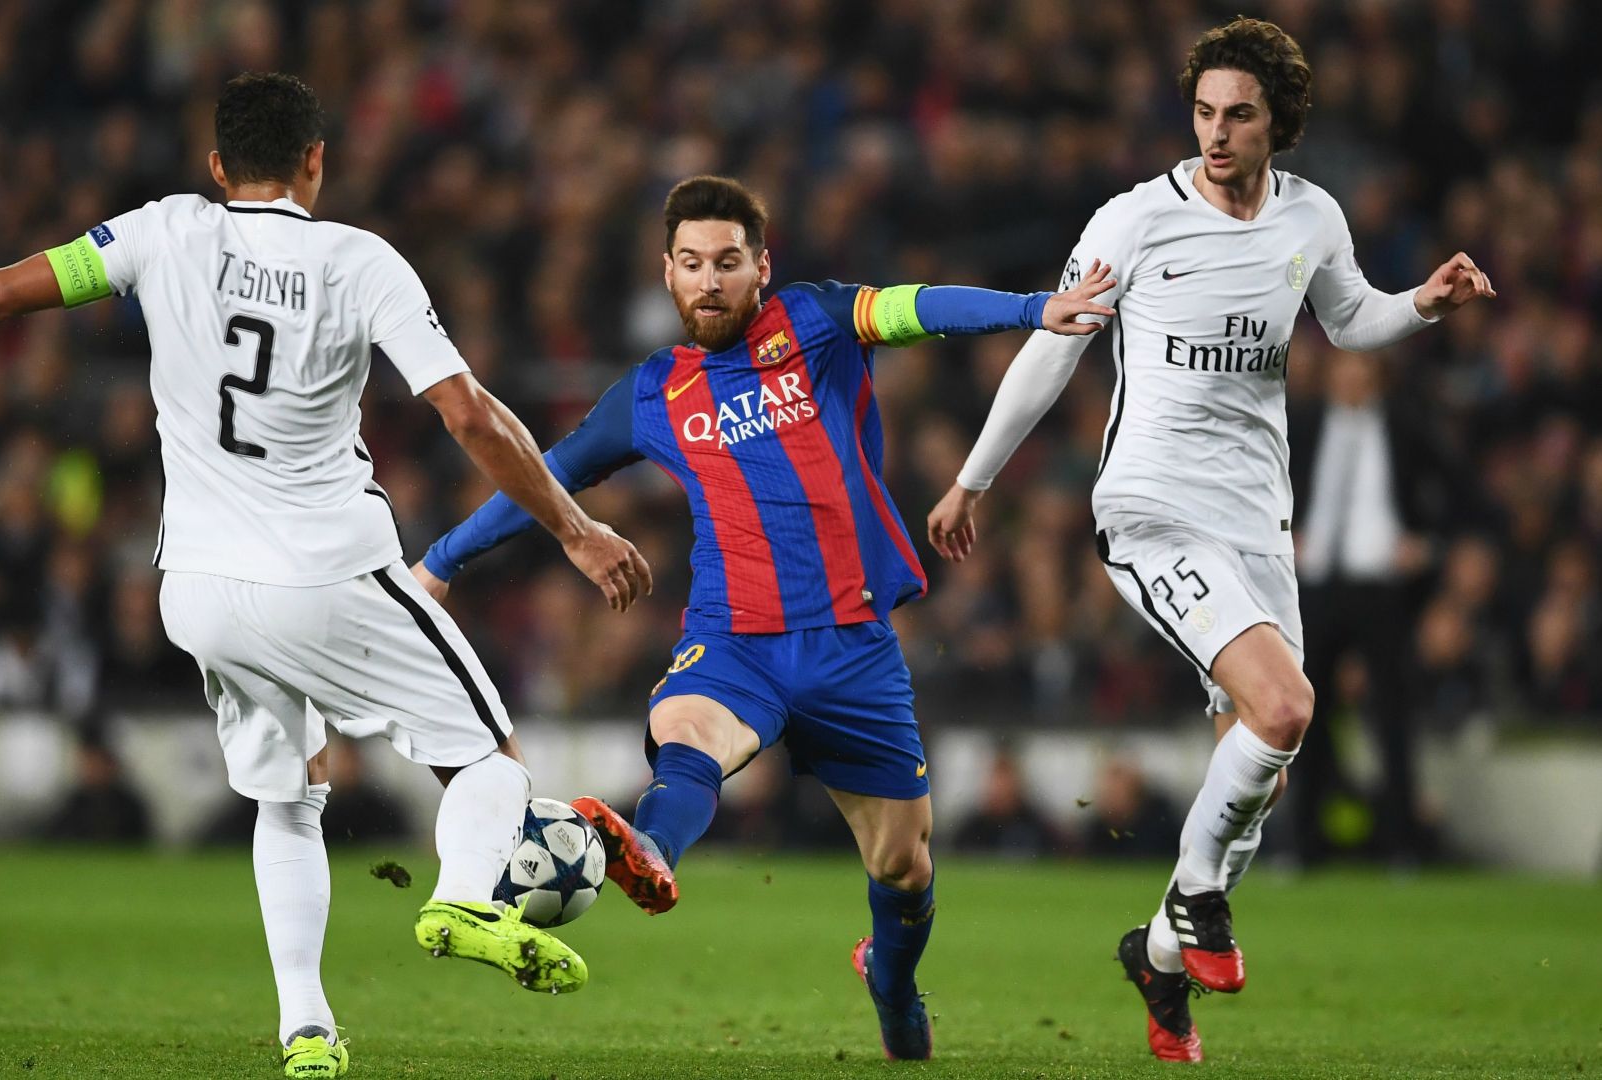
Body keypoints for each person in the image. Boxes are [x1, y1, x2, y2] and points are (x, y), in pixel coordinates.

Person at [0, 72, 651, 1079]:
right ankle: (465, 900)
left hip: (200, 591)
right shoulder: (358, 261)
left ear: (218, 166)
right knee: (488, 763)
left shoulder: (162, 231)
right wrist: (572, 528)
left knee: (288, 802)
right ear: (316, 161)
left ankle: (306, 1030)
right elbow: (469, 413)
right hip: (327, 571)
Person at [417, 175, 1117, 1061]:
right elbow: (543, 475)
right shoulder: (653, 392)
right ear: (666, 275)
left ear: (761, 268)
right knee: (684, 724)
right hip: (736, 637)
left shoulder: (815, 323)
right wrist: (440, 562)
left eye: (727, 263)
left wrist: (1030, 307)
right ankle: (653, 847)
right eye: (691, 264)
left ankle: (890, 978)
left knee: (904, 865)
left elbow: (915, 306)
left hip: (853, 647)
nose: (709, 281)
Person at [925, 18, 1495, 1063]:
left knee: (1261, 765)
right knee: (1286, 707)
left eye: (1239, 113)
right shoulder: (1136, 220)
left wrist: (1422, 302)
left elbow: (1350, 319)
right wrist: (973, 479)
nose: (1218, 132)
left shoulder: (1312, 218)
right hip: (1149, 510)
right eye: (1204, 112)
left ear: (1278, 118)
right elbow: (1053, 350)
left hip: (1257, 524)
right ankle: (1196, 900)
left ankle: (1157, 955)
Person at [1290, 352, 1459, 866]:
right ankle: (1302, 844)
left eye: (1361, 371)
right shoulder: (1302, 425)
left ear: (1378, 377)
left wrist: (1428, 546)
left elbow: (1460, 490)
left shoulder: (1408, 428)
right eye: (1342, 370)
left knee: (1391, 716)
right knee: (1301, 715)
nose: (1351, 380)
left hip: (1382, 588)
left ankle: (1401, 845)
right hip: (1314, 585)